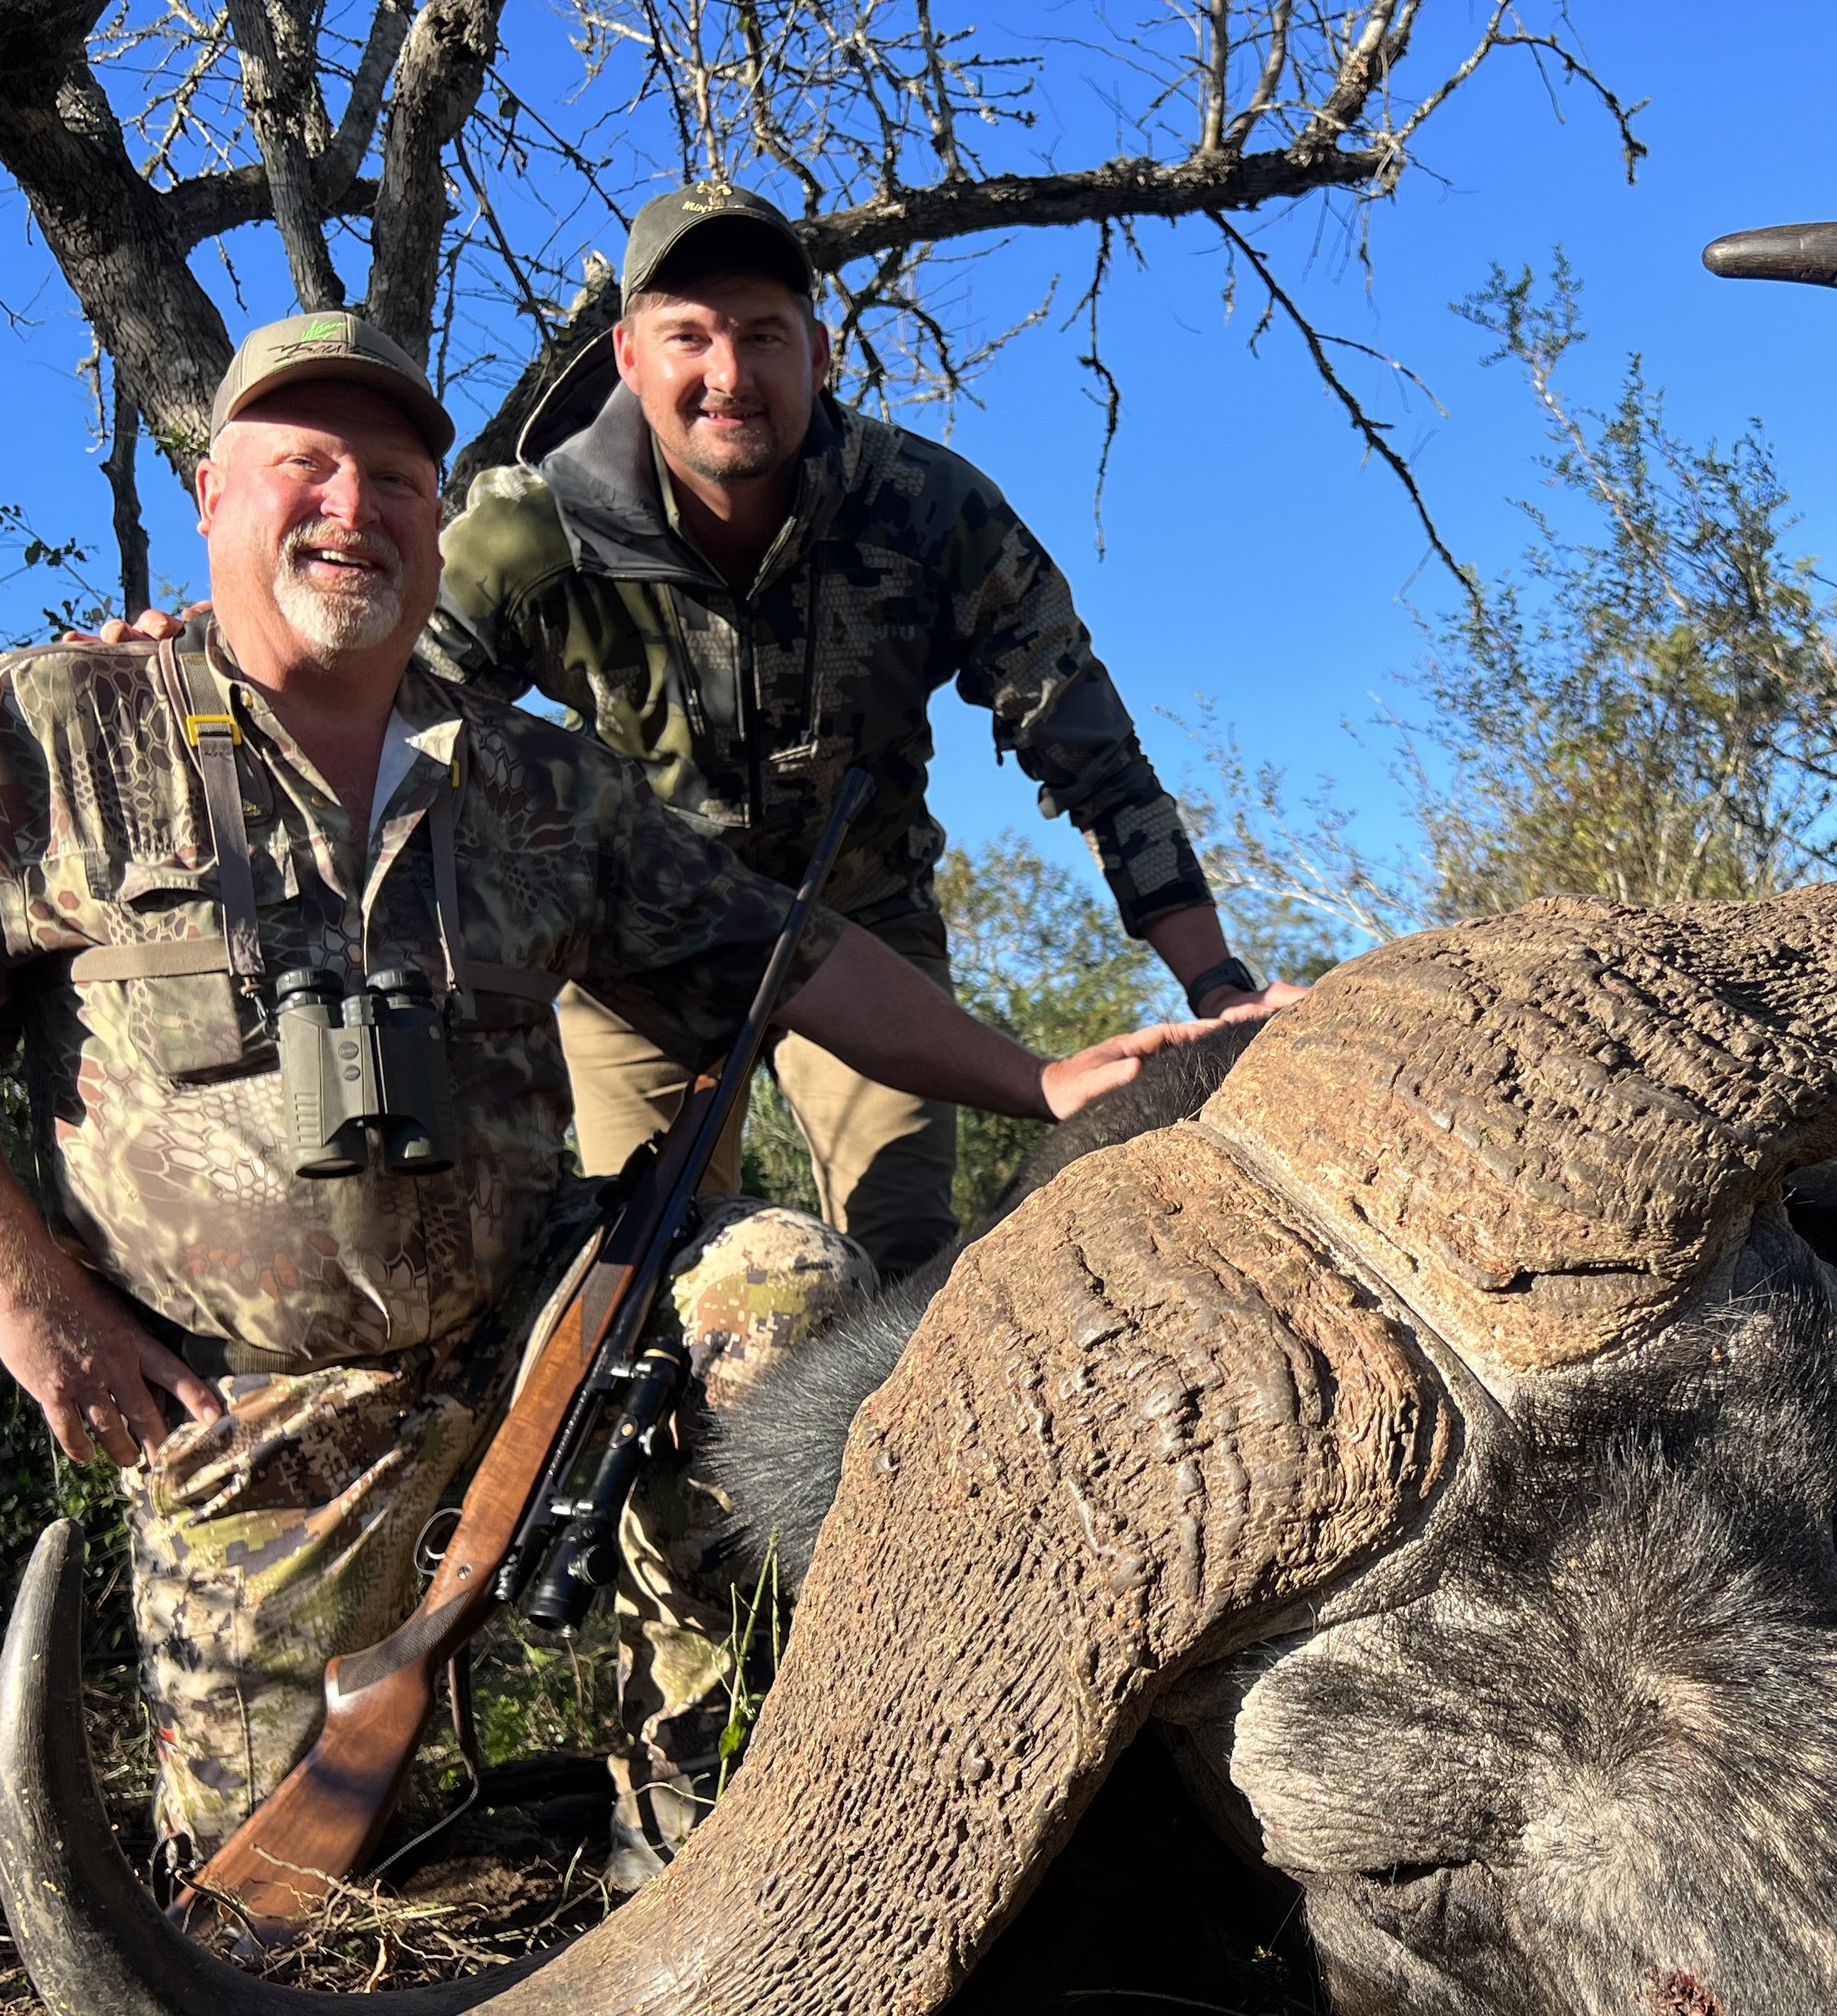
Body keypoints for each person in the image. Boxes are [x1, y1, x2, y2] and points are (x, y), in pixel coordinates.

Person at [0, 311, 1236, 1879]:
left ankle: (708, 1811)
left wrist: (1041, 1076)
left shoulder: (537, 778)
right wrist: (30, 1297)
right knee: (265, 1902)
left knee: (782, 1283)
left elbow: (790, 959)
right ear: (211, 495)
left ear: (439, 515)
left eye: (399, 477)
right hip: (253, 1401)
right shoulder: (43, 728)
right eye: (307, 466)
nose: (355, 506)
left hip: (544, 1325)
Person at [114, 183, 1300, 1282]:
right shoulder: (533, 530)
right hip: (644, 949)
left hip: (862, 932)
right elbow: (367, 678)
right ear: (628, 358)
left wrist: (1216, 982)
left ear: (821, 355)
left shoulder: (935, 513)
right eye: (689, 336)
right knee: (643, 1268)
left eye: (765, 335)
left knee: (908, 1261)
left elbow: (1089, 751)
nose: (729, 373)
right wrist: (206, 650)